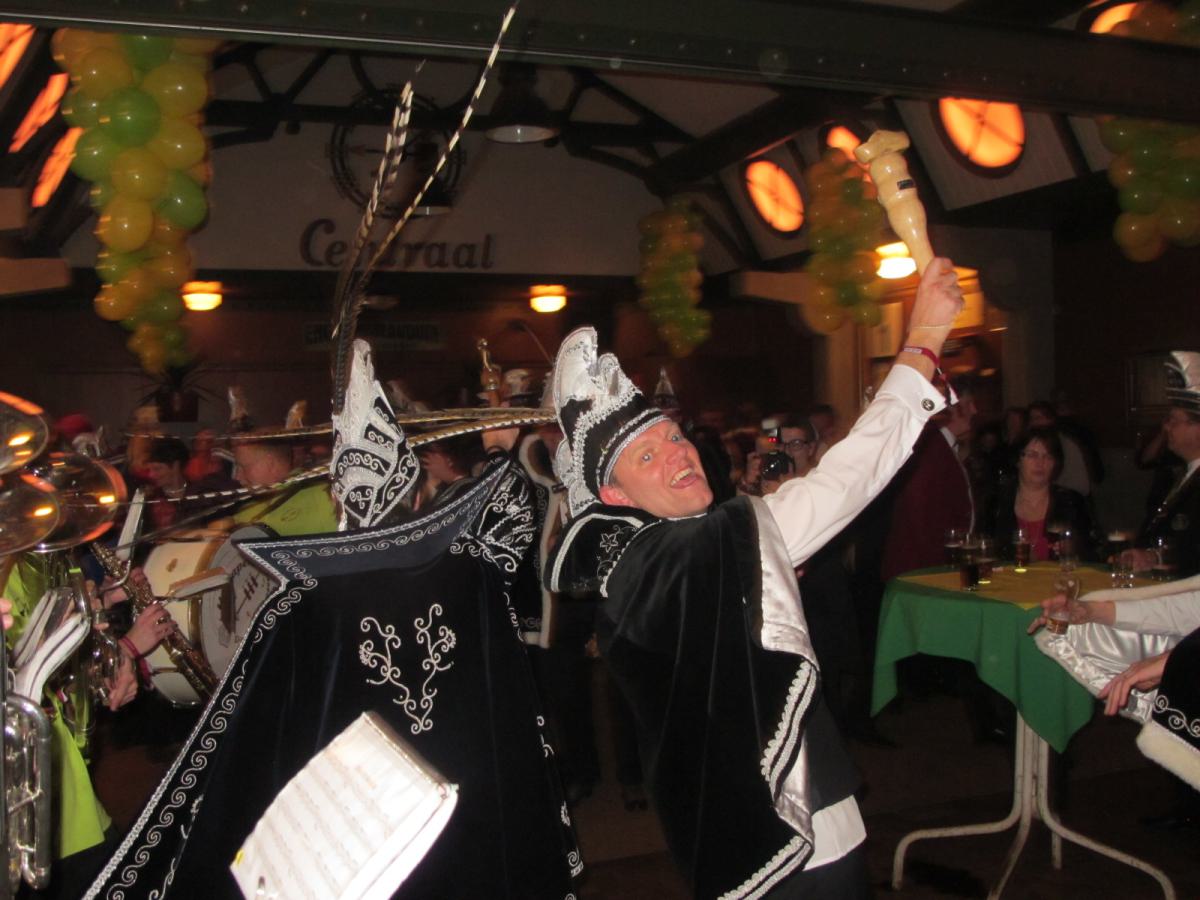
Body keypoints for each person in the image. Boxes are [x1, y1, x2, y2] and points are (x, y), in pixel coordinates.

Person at [544, 257, 963, 896]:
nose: (677, 455)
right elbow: (844, 480)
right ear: (615, 495)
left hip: (736, 826)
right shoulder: (684, 554)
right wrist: (924, 340)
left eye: (674, 437)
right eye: (646, 456)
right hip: (791, 832)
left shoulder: (645, 559)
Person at [1124, 352, 1200, 579]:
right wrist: (1151, 556)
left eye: (1174, 421)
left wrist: (1156, 557)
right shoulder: (1184, 473)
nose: (1166, 427)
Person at [985, 427, 1095, 563]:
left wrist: (1074, 551)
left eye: (1048, 456)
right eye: (1032, 455)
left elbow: (1092, 554)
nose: (1040, 463)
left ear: (1055, 463)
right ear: (1018, 460)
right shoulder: (996, 503)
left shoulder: (1072, 502)